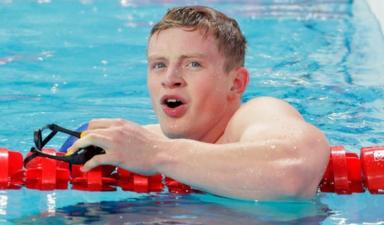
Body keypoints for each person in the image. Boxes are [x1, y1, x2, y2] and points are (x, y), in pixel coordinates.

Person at [67, 5, 330, 200]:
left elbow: (292, 172)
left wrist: (156, 154)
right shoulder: (141, 143)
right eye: (159, 65)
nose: (170, 79)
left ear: (236, 83)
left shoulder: (256, 115)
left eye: (193, 64)